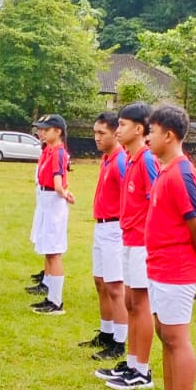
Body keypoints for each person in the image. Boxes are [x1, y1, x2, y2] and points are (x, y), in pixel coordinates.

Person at [135, 105, 196, 390]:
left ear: (169, 135)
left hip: (177, 269)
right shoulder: (166, 169)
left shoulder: (181, 173)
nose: (147, 136)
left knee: (177, 339)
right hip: (160, 266)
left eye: (152, 130)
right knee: (166, 336)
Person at [99, 103, 160, 390]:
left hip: (142, 241)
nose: (118, 129)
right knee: (131, 303)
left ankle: (142, 369)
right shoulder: (132, 158)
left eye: (122, 125)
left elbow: (156, 202)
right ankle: (132, 362)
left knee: (141, 305)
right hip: (128, 238)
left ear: (139, 129)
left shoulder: (146, 159)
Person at [80, 112, 129, 360]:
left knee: (115, 287)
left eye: (102, 133)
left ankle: (120, 341)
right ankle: (107, 332)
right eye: (95, 132)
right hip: (102, 226)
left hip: (114, 227)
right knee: (100, 282)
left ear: (115, 133)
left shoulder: (121, 160)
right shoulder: (107, 159)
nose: (96, 138)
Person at [27, 115, 73, 315]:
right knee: (49, 250)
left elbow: (58, 182)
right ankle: (51, 296)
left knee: (54, 252)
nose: (42, 133)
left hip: (53, 201)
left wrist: (65, 194)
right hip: (47, 200)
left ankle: (56, 301)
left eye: (46, 129)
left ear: (58, 131)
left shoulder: (58, 152)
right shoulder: (51, 150)